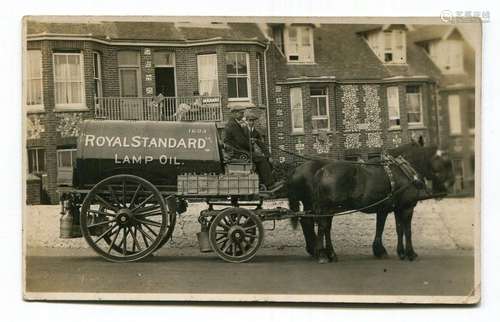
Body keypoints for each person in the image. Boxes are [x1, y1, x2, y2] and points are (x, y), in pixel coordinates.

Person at [223, 106, 278, 190]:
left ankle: (261, 182)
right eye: (241, 113)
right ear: (234, 113)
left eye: (243, 113)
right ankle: (269, 184)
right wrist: (250, 146)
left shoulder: (233, 124)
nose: (242, 115)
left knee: (260, 157)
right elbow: (241, 141)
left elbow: (242, 141)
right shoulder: (233, 125)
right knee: (261, 158)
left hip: (237, 151)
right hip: (238, 152)